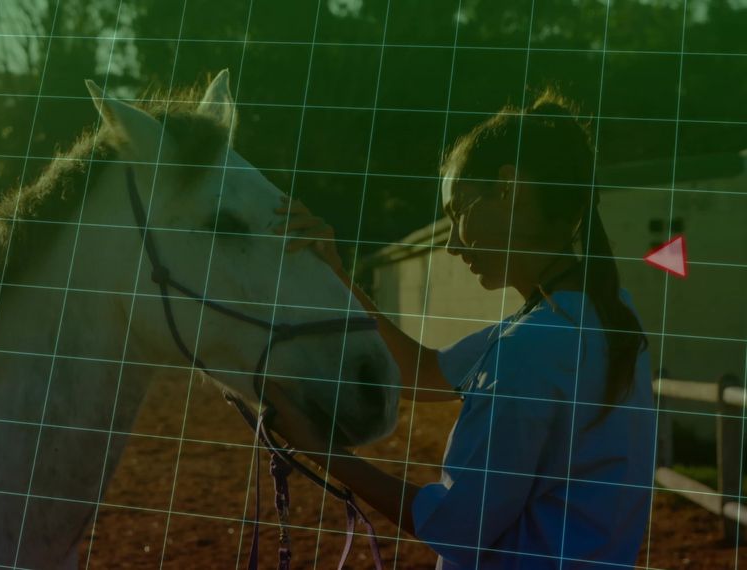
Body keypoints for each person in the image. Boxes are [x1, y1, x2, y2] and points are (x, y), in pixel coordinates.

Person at [264, 89, 657, 569]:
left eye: (459, 212)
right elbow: (420, 371)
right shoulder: (604, 312)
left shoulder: (530, 346)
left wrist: (319, 448)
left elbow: (457, 527)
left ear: (509, 190)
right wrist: (335, 273)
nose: (451, 243)